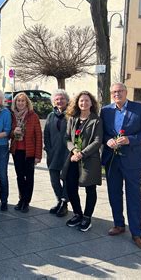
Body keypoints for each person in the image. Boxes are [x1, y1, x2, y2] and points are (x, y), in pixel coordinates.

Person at [101, 83, 141, 249]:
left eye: (120, 91)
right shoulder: (106, 110)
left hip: (132, 160)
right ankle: (119, 224)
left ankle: (137, 233)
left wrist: (131, 139)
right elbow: (102, 132)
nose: (117, 94)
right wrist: (107, 140)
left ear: (126, 92)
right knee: (114, 193)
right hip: (112, 160)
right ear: (111, 94)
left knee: (134, 196)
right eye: (114, 92)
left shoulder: (140, 109)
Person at [61, 91, 103, 232]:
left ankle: (87, 217)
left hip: (90, 159)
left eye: (86, 100)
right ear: (77, 103)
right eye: (81, 101)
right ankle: (77, 214)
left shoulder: (96, 120)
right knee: (70, 186)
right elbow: (67, 138)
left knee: (90, 188)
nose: (83, 103)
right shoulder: (73, 119)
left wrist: (82, 154)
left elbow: (97, 141)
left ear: (91, 103)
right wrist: (74, 150)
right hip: (73, 158)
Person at [9, 92, 42, 213]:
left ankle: (26, 201)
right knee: (19, 176)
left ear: (27, 102)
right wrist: (13, 131)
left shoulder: (33, 116)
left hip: (30, 152)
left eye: (23, 101)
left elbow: (39, 136)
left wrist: (38, 156)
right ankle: (21, 198)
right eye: (18, 101)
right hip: (16, 150)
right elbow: (8, 133)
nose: (20, 103)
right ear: (15, 103)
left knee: (29, 177)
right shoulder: (12, 116)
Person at [44, 89, 70, 217]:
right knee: (54, 178)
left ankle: (64, 204)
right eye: (57, 99)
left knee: (66, 178)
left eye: (62, 99)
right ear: (53, 101)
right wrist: (48, 149)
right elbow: (46, 134)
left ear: (66, 100)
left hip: (67, 153)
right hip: (53, 152)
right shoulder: (50, 115)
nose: (59, 101)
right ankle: (59, 200)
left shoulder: (71, 115)